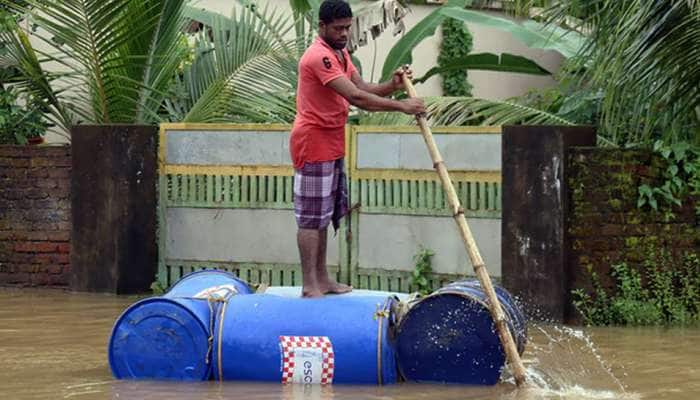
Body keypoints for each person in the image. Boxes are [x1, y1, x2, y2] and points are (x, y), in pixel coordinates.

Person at [290, 0, 426, 298]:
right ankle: (310, 283)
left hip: (332, 142)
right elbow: (357, 98)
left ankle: (323, 279)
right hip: (312, 142)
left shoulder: (340, 54)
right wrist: (403, 106)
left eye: (347, 28)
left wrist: (392, 86)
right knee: (311, 217)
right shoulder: (318, 57)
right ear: (322, 26)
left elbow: (363, 87)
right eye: (338, 28)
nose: (344, 33)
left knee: (325, 215)